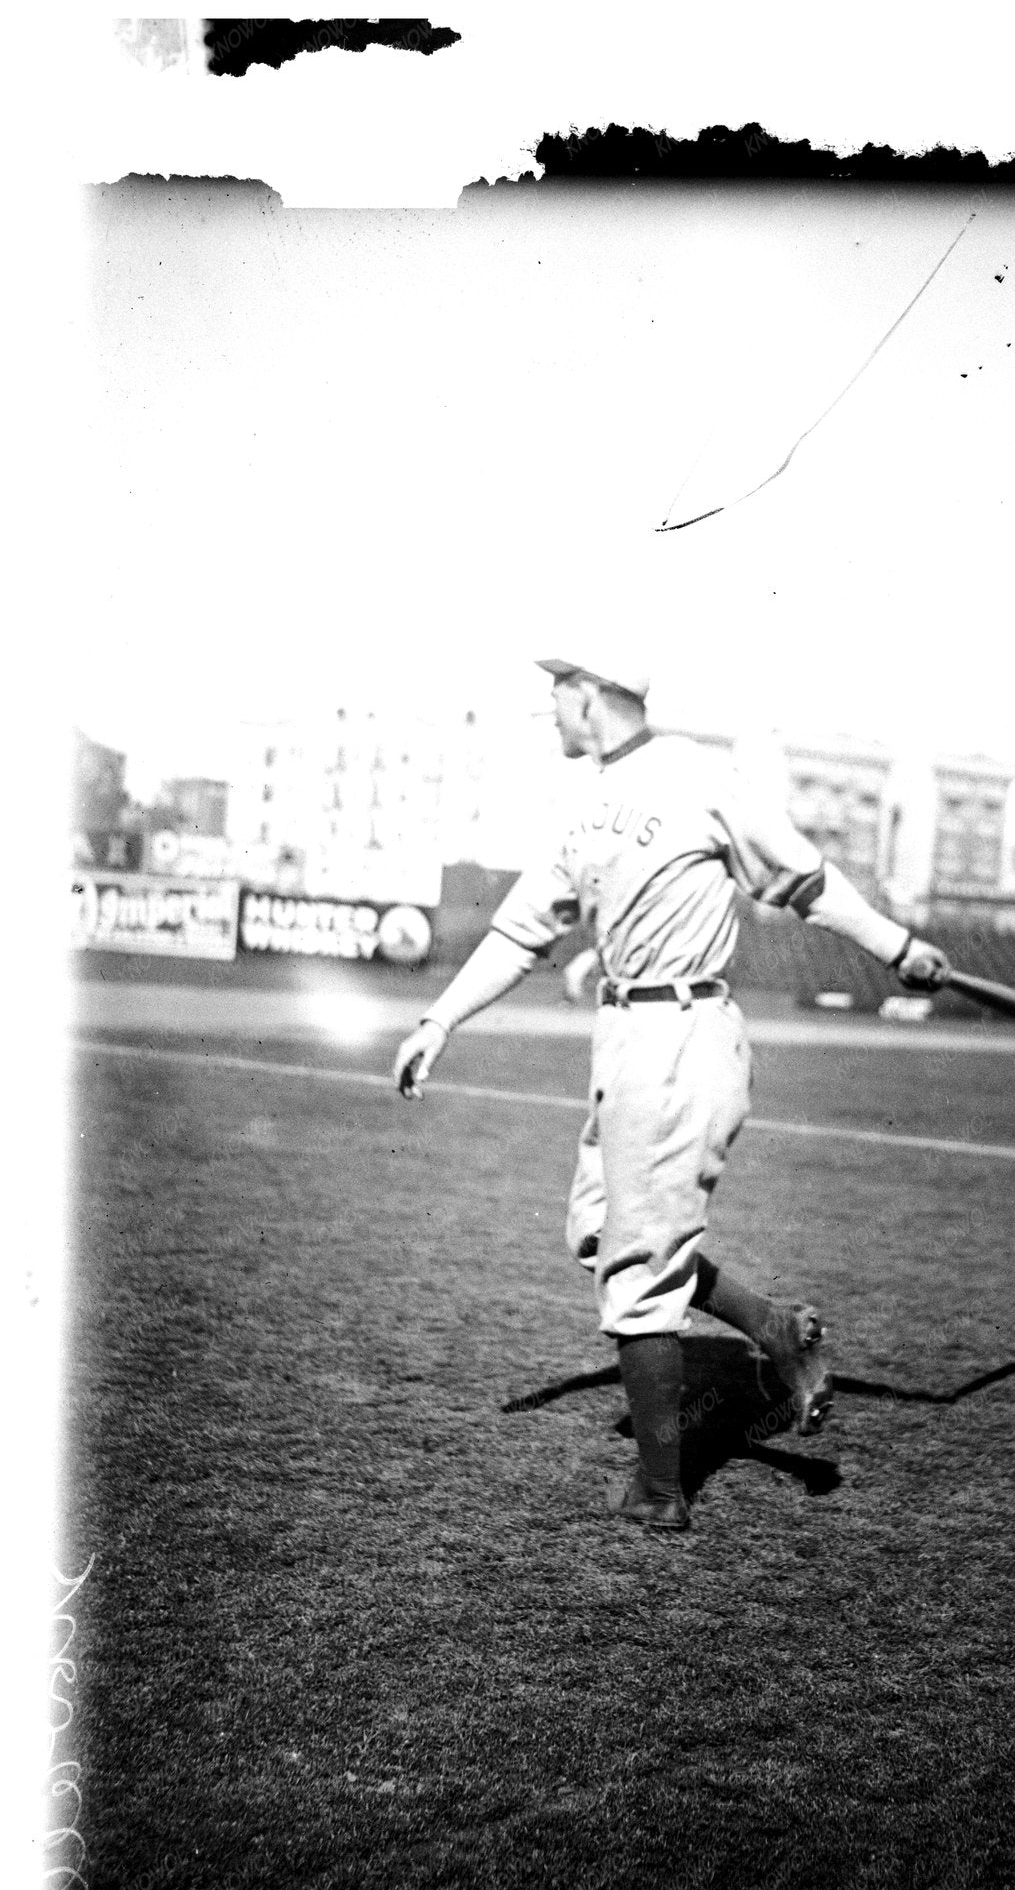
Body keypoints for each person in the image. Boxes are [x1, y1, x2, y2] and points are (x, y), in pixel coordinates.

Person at [393, 655, 949, 1531]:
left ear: (589, 692)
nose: (549, 707)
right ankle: (772, 1327)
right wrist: (439, 1020)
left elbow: (802, 878)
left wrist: (896, 946)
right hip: (622, 1036)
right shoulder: (583, 802)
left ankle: (660, 1490)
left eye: (556, 691)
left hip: (684, 1034)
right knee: (596, 1232)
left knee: (639, 1265)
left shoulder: (698, 775)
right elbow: (520, 931)